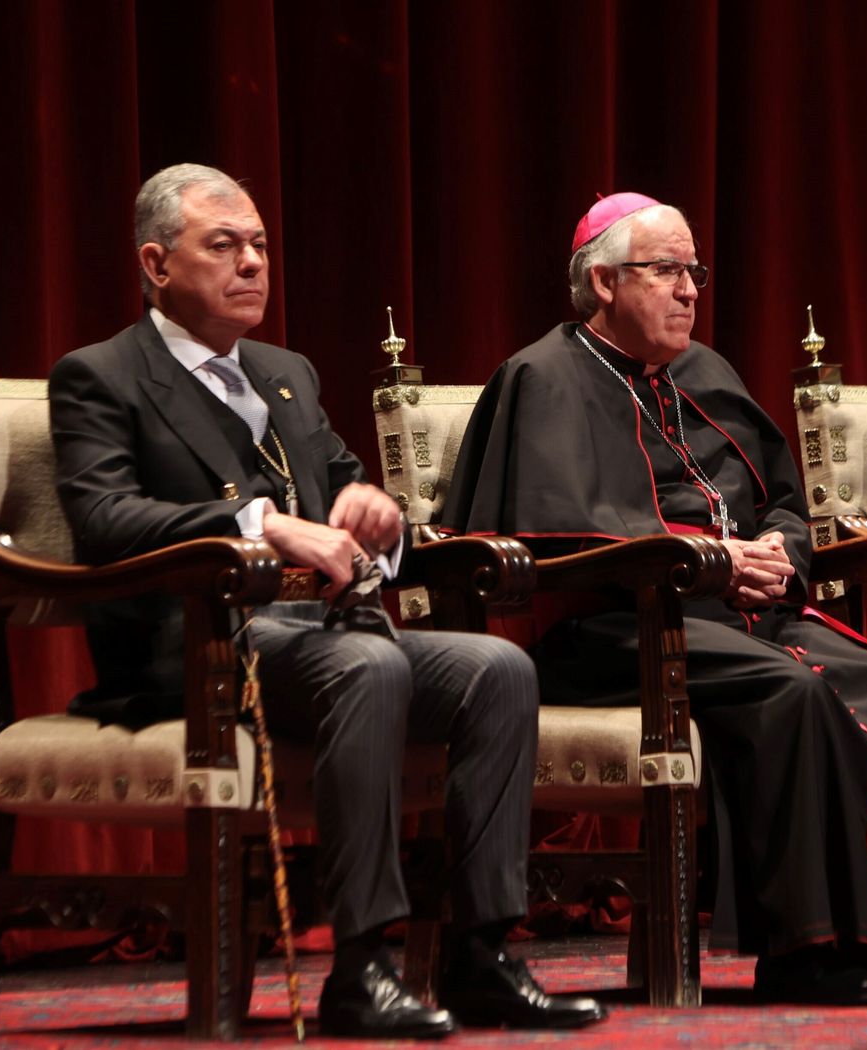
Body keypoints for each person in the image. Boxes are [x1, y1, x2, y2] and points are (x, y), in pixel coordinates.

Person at [48, 163, 605, 1038]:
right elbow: (105, 518)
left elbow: (346, 486)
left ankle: (483, 950)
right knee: (368, 663)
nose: (251, 264)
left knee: (496, 668)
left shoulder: (286, 372)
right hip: (199, 648)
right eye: (222, 245)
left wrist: (378, 519)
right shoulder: (101, 375)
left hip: (320, 635)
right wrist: (261, 523)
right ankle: (361, 963)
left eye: (260, 246)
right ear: (156, 264)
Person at [440, 192, 867, 1005]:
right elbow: (553, 541)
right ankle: (802, 951)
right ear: (602, 281)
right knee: (794, 693)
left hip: (746, 615)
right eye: (666, 270)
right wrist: (708, 566)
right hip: (621, 629)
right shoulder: (543, 378)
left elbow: (783, 497)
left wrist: (779, 551)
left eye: (693, 271)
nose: (690, 289)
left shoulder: (707, 371)